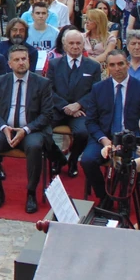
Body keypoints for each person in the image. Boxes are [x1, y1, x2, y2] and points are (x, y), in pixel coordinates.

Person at [0, 45, 55, 213]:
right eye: (17, 60)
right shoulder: (0, 81)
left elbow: (47, 114)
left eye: (24, 59)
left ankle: (31, 192)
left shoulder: (42, 83)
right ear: (9, 63)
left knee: (35, 146)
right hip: (5, 129)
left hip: (31, 130)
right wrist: (3, 127)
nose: (21, 63)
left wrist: (27, 130)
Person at [78, 50, 140, 204]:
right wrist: (105, 141)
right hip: (105, 137)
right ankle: (104, 196)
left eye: (120, 64)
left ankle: (123, 200)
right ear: (107, 68)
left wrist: (131, 141)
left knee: (130, 164)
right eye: (112, 65)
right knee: (87, 160)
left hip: (132, 139)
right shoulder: (98, 88)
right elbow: (91, 121)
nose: (117, 68)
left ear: (128, 64)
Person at [45, 29, 99, 177]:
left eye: (78, 43)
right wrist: (65, 106)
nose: (75, 46)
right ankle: (58, 158)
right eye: (71, 43)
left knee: (83, 133)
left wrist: (78, 105)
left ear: (83, 45)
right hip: (57, 108)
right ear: (64, 45)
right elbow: (48, 89)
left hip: (80, 110)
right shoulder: (54, 64)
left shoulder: (93, 66)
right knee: (42, 130)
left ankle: (73, 160)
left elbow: (95, 91)